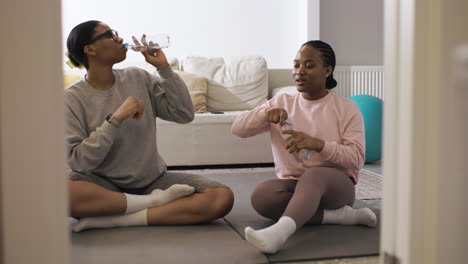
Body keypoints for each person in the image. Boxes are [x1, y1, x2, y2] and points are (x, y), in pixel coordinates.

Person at [65, 20, 233, 232]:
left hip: (152, 182)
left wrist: (163, 69)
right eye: (109, 35)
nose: (119, 39)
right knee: (61, 193)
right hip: (104, 187)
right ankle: (152, 204)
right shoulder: (71, 99)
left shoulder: (138, 77)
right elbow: (79, 162)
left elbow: (183, 114)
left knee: (220, 198)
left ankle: (118, 218)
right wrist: (115, 120)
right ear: (90, 49)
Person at [231, 40, 377, 254]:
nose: (299, 72)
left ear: (327, 70)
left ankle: (278, 234)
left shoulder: (347, 109)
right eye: (296, 65)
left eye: (309, 65)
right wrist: (264, 114)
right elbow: (238, 129)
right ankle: (342, 217)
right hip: (296, 185)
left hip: (337, 188)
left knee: (314, 175)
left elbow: (356, 159)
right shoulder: (282, 102)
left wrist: (318, 145)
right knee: (262, 196)